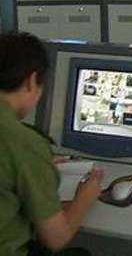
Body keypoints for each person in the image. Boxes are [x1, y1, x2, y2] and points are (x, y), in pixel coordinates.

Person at [0, 32, 103, 256]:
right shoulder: (24, 142)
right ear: (31, 81)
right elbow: (56, 238)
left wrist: (38, 165)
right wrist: (84, 197)